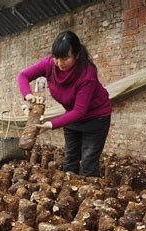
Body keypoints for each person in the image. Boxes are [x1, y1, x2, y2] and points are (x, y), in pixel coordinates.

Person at [17, 30, 112, 177]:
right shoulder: (49, 64)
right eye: (57, 57)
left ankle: (90, 196)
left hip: (96, 119)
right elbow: (23, 76)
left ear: (77, 54)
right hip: (72, 117)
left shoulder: (87, 74)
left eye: (65, 58)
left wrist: (51, 124)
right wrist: (28, 95)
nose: (60, 63)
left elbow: (80, 111)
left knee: (88, 163)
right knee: (70, 160)